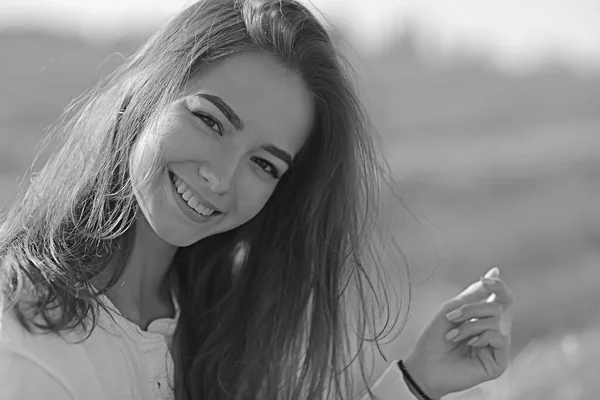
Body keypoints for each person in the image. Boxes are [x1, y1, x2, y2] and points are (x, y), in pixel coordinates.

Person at [0, 0, 514, 399]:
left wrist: (418, 381)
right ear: (145, 93)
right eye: (210, 120)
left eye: (264, 164)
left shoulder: (200, 325)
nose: (221, 177)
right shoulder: (23, 336)